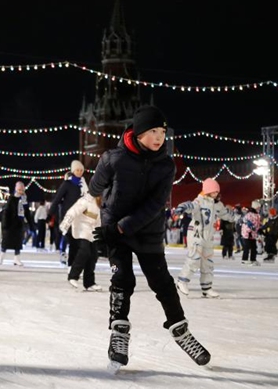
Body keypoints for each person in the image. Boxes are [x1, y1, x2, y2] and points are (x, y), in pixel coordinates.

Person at [88, 105, 210, 372]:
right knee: (122, 279)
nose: (159, 137)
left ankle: (181, 331)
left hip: (145, 230)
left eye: (163, 132)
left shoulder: (166, 165)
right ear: (139, 132)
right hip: (115, 230)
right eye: (153, 131)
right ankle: (119, 333)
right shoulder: (113, 159)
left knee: (162, 282)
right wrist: (102, 186)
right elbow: (95, 188)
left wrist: (119, 228)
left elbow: (156, 205)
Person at [175, 178, 234, 298]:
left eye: (217, 191)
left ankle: (207, 288)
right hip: (196, 233)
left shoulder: (217, 205)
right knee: (194, 258)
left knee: (208, 262)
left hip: (208, 236)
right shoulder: (199, 201)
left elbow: (226, 214)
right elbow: (191, 206)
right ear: (207, 191)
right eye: (213, 191)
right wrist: (182, 207)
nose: (216, 193)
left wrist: (236, 216)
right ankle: (182, 281)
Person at [59, 192, 102, 291]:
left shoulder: (100, 204)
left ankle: (89, 283)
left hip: (92, 232)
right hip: (81, 229)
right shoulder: (85, 200)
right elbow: (72, 212)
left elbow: (98, 221)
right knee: (84, 251)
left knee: (93, 255)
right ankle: (73, 276)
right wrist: (65, 225)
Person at [50, 161, 88, 266]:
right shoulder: (67, 184)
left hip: (79, 214)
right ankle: (63, 253)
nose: (79, 172)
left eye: (81, 170)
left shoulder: (84, 185)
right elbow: (57, 198)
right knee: (67, 235)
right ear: (73, 171)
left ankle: (74, 258)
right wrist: (51, 213)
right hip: (68, 214)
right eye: (77, 170)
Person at [0, 180, 33, 266]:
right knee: (6, 242)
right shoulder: (11, 198)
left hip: (19, 224)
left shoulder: (24, 200)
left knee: (18, 243)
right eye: (19, 190)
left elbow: (27, 213)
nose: (21, 191)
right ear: (16, 189)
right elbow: (6, 212)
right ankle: (1, 257)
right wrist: (5, 224)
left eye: (22, 190)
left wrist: (31, 224)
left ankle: (16, 259)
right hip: (10, 224)